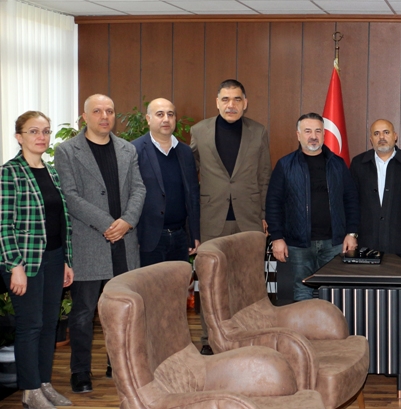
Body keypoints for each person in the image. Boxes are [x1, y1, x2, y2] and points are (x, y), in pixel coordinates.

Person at [55, 94, 145, 393]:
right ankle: (80, 371)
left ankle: (115, 365)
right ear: (84, 117)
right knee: (83, 314)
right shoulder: (67, 151)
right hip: (89, 243)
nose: (104, 116)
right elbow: (70, 196)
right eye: (97, 111)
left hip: (124, 243)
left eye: (109, 111)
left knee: (121, 310)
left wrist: (127, 221)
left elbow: (138, 188)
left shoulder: (127, 149)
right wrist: (108, 224)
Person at [189, 79, 270, 353]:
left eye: (236, 99)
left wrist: (264, 214)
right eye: (225, 99)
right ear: (217, 102)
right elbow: (190, 177)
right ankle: (209, 339)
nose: (231, 105)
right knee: (210, 282)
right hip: (211, 219)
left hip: (249, 219)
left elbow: (264, 176)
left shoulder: (258, 132)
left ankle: (246, 336)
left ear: (245, 103)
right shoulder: (199, 131)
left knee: (247, 283)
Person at [1, 111, 74, 409]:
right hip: (25, 262)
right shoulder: (9, 172)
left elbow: (61, 220)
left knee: (48, 324)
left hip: (55, 258)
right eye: (33, 131)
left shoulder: (51, 171)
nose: (41, 137)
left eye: (45, 131)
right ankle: (30, 390)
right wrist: (14, 266)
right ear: (19, 137)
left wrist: (67, 260)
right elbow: (3, 225)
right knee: (30, 325)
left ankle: (44, 383)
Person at [266, 113, 360, 301]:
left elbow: (351, 200)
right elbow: (273, 203)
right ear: (298, 135)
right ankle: (307, 324)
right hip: (298, 244)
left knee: (333, 293)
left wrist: (352, 233)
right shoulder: (285, 165)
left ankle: (330, 323)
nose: (313, 136)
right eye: (308, 131)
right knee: (302, 291)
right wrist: (277, 237)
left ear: (324, 134)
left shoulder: (337, 164)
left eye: (318, 131)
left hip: (334, 243)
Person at [132, 98, 200, 266]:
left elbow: (192, 195)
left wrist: (195, 233)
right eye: (160, 114)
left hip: (180, 236)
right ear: (148, 119)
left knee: (179, 282)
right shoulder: (134, 150)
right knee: (149, 283)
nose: (166, 119)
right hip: (148, 239)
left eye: (170, 114)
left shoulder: (185, 151)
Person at [350, 119, 401, 254]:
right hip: (367, 241)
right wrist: (351, 234)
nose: (381, 137)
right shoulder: (358, 163)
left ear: (395, 136)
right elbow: (352, 202)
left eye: (386, 132)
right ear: (371, 139)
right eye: (376, 133)